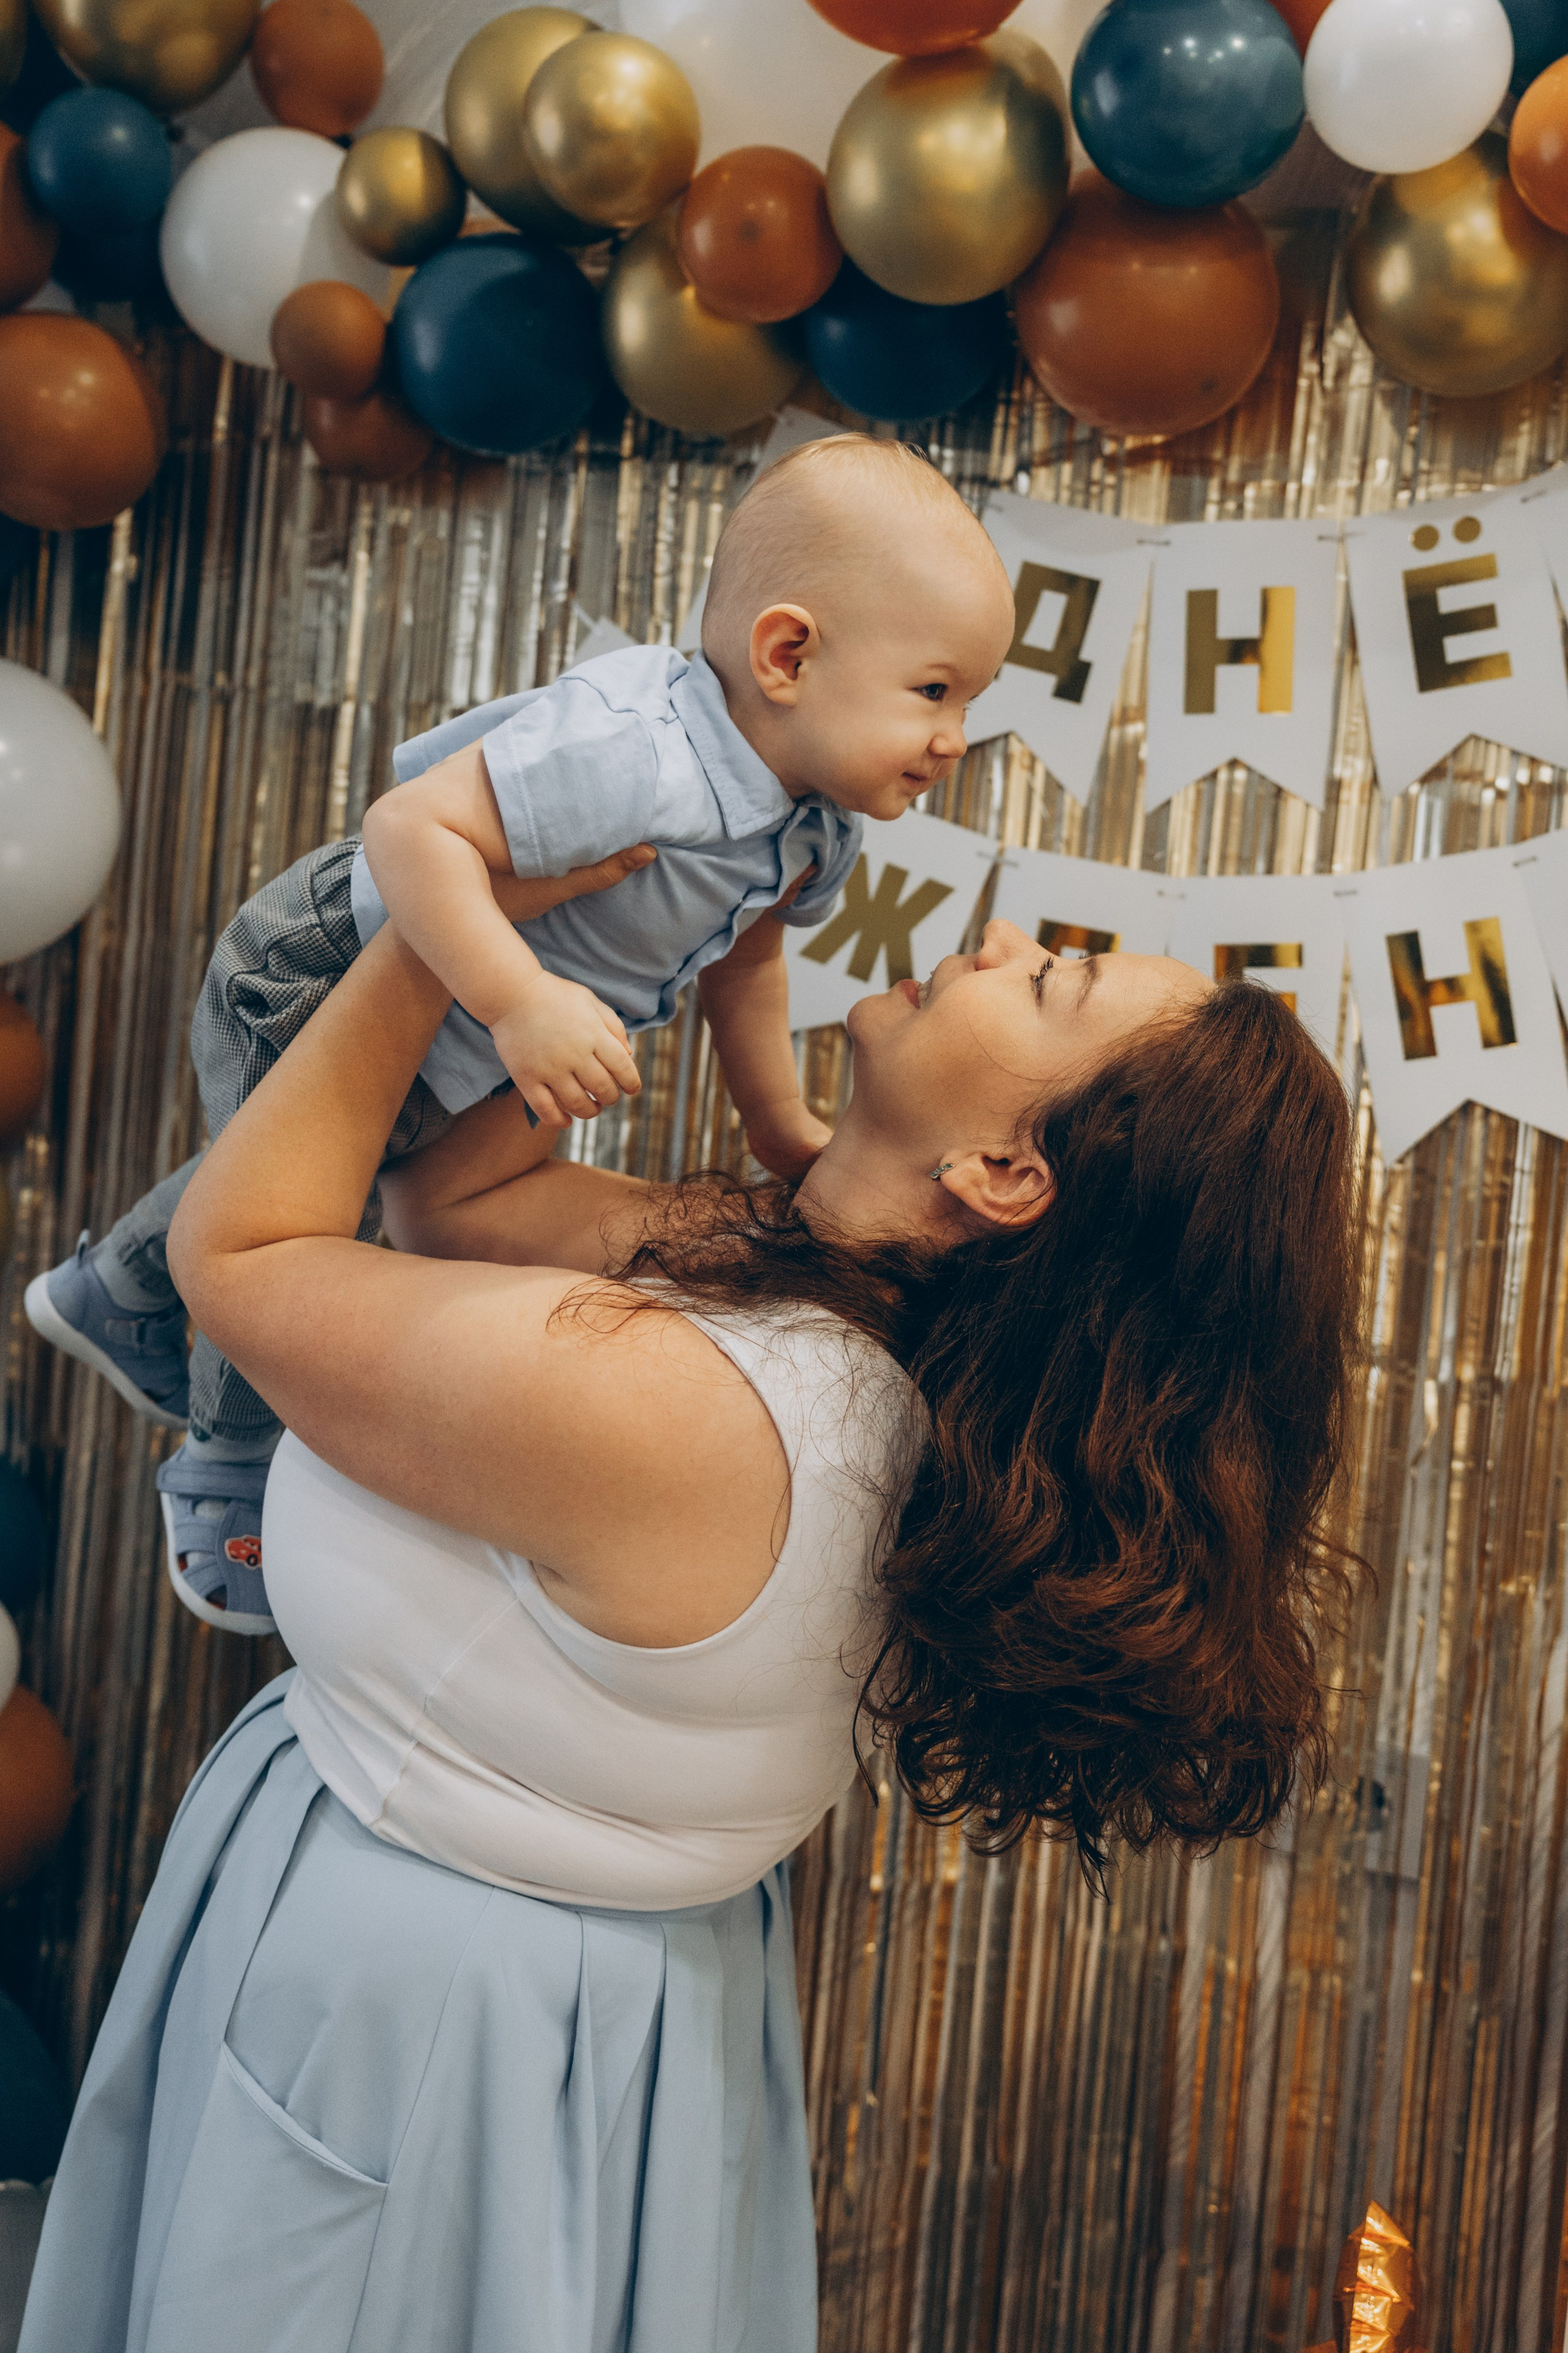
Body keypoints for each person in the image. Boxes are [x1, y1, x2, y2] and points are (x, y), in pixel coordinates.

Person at [18, 886, 1359, 2353]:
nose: (994, 941)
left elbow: (243, 1263)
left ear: (1001, 1169)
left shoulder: (714, 1411)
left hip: (426, 2025)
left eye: (1046, 980)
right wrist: (675, 949)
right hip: (476, 1956)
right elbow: (451, 1207)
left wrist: (436, 914)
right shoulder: (828, 1294)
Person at [23, 435, 1017, 1635]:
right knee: (307, 1210)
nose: (954, 737)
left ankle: (115, 1285)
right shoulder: (637, 745)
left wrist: (774, 1117)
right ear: (788, 653)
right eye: (934, 690)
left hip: (456, 1034)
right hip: (332, 964)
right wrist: (517, 999)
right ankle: (229, 1461)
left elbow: (745, 959)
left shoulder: (812, 833)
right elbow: (411, 831)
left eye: (967, 701)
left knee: (348, 1169)